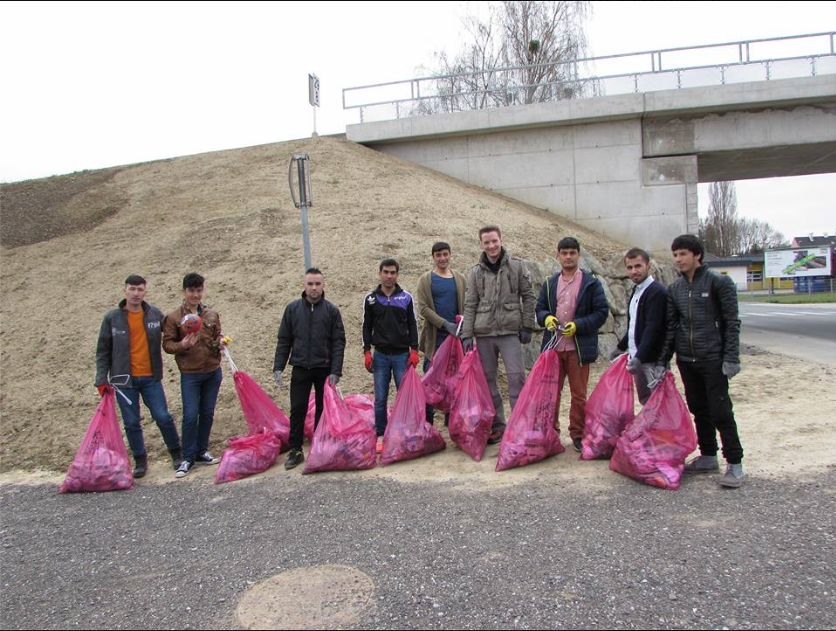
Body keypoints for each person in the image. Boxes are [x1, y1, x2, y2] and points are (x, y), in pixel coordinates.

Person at [656, 234, 745, 488]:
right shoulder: (675, 289)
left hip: (713, 358)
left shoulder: (719, 283)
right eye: (675, 255)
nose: (678, 259)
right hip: (687, 358)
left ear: (697, 256)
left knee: (721, 410)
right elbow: (672, 327)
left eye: (683, 254)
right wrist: (664, 360)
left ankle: (735, 463)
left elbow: (731, 322)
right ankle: (708, 455)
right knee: (698, 407)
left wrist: (731, 357)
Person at [94, 275, 182, 478]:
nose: (136, 293)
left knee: (163, 416)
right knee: (132, 421)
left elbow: (173, 332)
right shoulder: (112, 318)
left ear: (145, 292)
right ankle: (140, 460)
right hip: (123, 380)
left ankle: (176, 453)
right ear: (124, 290)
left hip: (151, 377)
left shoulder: (154, 314)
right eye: (132, 289)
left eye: (139, 289)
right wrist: (101, 379)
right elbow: (103, 350)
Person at [461, 226, 536, 444]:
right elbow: (470, 304)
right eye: (487, 242)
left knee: (516, 378)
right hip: (484, 333)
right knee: (488, 380)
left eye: (494, 241)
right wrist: (467, 334)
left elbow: (529, 297)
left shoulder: (517, 266)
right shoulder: (475, 272)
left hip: (510, 331)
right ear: (481, 244)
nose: (491, 246)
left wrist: (528, 326)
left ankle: (519, 423)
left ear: (501, 240)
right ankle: (498, 424)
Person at [536, 237, 609, 452]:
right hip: (554, 348)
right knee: (551, 393)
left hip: (578, 348)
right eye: (564, 253)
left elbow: (601, 312)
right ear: (557, 255)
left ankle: (577, 433)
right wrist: (546, 318)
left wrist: (579, 325)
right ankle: (551, 432)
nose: (568, 257)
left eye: (572, 253)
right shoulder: (550, 283)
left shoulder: (591, 283)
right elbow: (540, 309)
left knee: (578, 395)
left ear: (579, 255)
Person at [273, 268, 346, 470]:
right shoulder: (292, 309)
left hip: (323, 369)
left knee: (323, 411)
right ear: (303, 286)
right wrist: (278, 366)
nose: (314, 288)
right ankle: (296, 450)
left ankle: (319, 446)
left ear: (324, 286)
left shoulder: (331, 311)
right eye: (310, 284)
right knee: (297, 409)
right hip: (300, 367)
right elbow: (284, 340)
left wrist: (335, 371)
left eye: (317, 284)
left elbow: (338, 342)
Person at [163, 273, 225, 479]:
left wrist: (221, 343)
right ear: (184, 291)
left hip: (212, 371)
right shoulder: (174, 318)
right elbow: (167, 344)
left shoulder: (211, 314)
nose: (195, 295)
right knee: (191, 415)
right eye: (191, 291)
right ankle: (187, 457)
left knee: (207, 413)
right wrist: (182, 345)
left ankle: (201, 451)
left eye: (199, 290)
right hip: (190, 374)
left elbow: (216, 337)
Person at [363, 258, 420, 451]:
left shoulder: (406, 297)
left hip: (401, 356)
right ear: (380, 273)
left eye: (393, 272)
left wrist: (414, 350)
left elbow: (413, 325)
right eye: (386, 272)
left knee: (405, 396)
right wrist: (366, 352)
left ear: (397, 274)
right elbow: (366, 326)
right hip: (380, 356)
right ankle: (381, 434)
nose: (389, 276)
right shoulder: (371, 299)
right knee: (380, 398)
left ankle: (407, 432)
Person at [416, 242, 467, 425]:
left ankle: (451, 421)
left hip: (456, 340)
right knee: (430, 380)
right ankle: (427, 423)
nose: (442, 258)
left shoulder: (460, 278)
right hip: (435, 339)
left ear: (450, 255)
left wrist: (461, 325)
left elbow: (467, 304)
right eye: (438, 255)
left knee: (454, 381)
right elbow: (423, 308)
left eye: (445, 254)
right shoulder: (426, 279)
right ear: (433, 257)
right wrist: (445, 324)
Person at [610, 248, 668, 405]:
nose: (634, 271)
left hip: (651, 360)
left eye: (638, 266)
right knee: (645, 401)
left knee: (658, 403)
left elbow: (653, 328)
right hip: (638, 357)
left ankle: (660, 431)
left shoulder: (656, 292)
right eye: (629, 267)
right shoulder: (637, 290)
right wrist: (621, 348)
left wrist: (639, 357)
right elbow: (634, 325)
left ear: (648, 266)